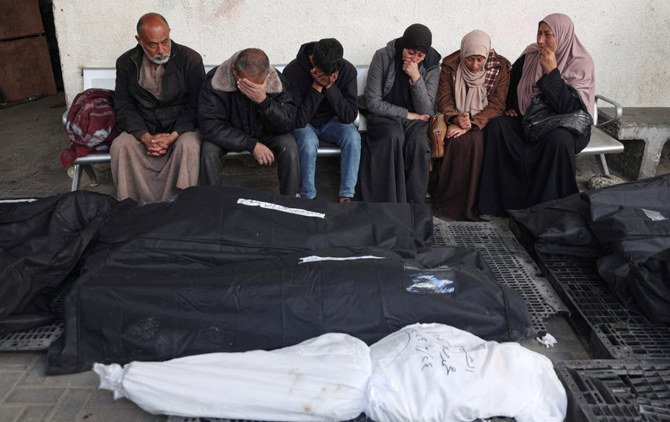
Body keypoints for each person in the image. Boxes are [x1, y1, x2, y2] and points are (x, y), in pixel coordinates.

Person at [478, 13, 595, 216]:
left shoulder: (581, 63)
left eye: (548, 34)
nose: (540, 40)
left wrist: (552, 73)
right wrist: (511, 106)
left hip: (565, 125)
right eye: (539, 33)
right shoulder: (531, 55)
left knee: (558, 141)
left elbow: (570, 108)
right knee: (498, 127)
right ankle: (501, 205)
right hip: (530, 120)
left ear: (562, 35)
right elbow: (511, 85)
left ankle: (547, 212)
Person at [111, 12, 204, 202]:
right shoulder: (126, 63)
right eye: (153, 45)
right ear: (139, 40)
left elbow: (197, 104)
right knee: (121, 145)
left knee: (189, 145)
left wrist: (173, 136)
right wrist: (145, 137)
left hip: (181, 128)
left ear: (169, 33)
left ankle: (182, 205)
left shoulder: (190, 59)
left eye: (165, 41)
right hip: (144, 127)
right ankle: (133, 207)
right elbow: (124, 106)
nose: (161, 50)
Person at [430, 30, 510, 221]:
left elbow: (497, 105)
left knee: (473, 140)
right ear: (463, 53)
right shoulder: (450, 66)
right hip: (456, 119)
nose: (474, 66)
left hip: (483, 121)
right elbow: (444, 100)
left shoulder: (499, 68)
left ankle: (473, 205)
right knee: (455, 140)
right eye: (470, 59)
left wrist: (471, 123)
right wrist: (455, 118)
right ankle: (449, 204)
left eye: (480, 60)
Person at [357, 23, 441, 203]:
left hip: (418, 119)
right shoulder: (383, 56)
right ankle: (387, 202)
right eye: (410, 53)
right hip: (384, 115)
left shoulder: (432, 65)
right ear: (403, 45)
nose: (414, 59)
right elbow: (373, 102)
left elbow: (426, 110)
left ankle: (414, 206)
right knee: (392, 136)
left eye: (420, 55)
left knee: (419, 142)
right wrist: (408, 114)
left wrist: (416, 77)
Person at [198, 49, 299, 196]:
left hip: (265, 131)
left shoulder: (276, 80)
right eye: (247, 84)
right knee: (209, 150)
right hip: (231, 133)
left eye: (259, 84)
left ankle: (290, 202)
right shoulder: (215, 81)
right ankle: (213, 202)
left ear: (267, 74)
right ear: (234, 70)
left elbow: (287, 123)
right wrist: (250, 144)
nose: (254, 89)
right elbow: (210, 126)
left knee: (288, 145)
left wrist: (264, 102)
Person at [283, 38, 360, 202]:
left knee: (353, 137)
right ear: (312, 60)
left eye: (331, 75)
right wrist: (317, 87)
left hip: (332, 121)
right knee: (308, 142)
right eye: (323, 73)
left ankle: (346, 195)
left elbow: (348, 116)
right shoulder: (293, 71)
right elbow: (297, 120)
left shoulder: (346, 70)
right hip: (305, 122)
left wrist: (330, 88)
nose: (327, 77)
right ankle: (308, 197)